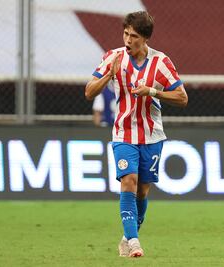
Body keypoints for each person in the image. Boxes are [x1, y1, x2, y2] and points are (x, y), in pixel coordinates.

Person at [85, 11, 188, 257]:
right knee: (128, 181)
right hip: (123, 133)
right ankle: (133, 241)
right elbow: (89, 91)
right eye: (126, 34)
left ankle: (126, 235)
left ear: (145, 39)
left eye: (134, 36)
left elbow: (182, 98)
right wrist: (109, 74)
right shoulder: (113, 57)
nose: (128, 40)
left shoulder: (161, 62)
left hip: (152, 136)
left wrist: (153, 91)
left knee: (142, 190)